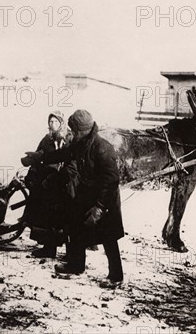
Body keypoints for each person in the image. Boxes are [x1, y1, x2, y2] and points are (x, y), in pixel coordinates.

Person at [22, 109, 124, 284]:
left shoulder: (102, 148)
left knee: (109, 237)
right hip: (87, 194)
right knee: (75, 226)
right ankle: (76, 265)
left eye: (75, 131)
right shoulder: (81, 143)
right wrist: (40, 157)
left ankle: (116, 276)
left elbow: (112, 180)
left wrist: (99, 207)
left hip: (105, 198)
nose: (73, 134)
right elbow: (63, 154)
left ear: (84, 130)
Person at [23, 111, 72, 258]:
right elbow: (38, 156)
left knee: (64, 219)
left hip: (62, 183)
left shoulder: (68, 139)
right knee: (46, 217)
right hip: (46, 184)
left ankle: (72, 253)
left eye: (56, 122)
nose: (52, 124)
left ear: (61, 123)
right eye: (50, 122)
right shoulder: (46, 139)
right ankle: (48, 248)